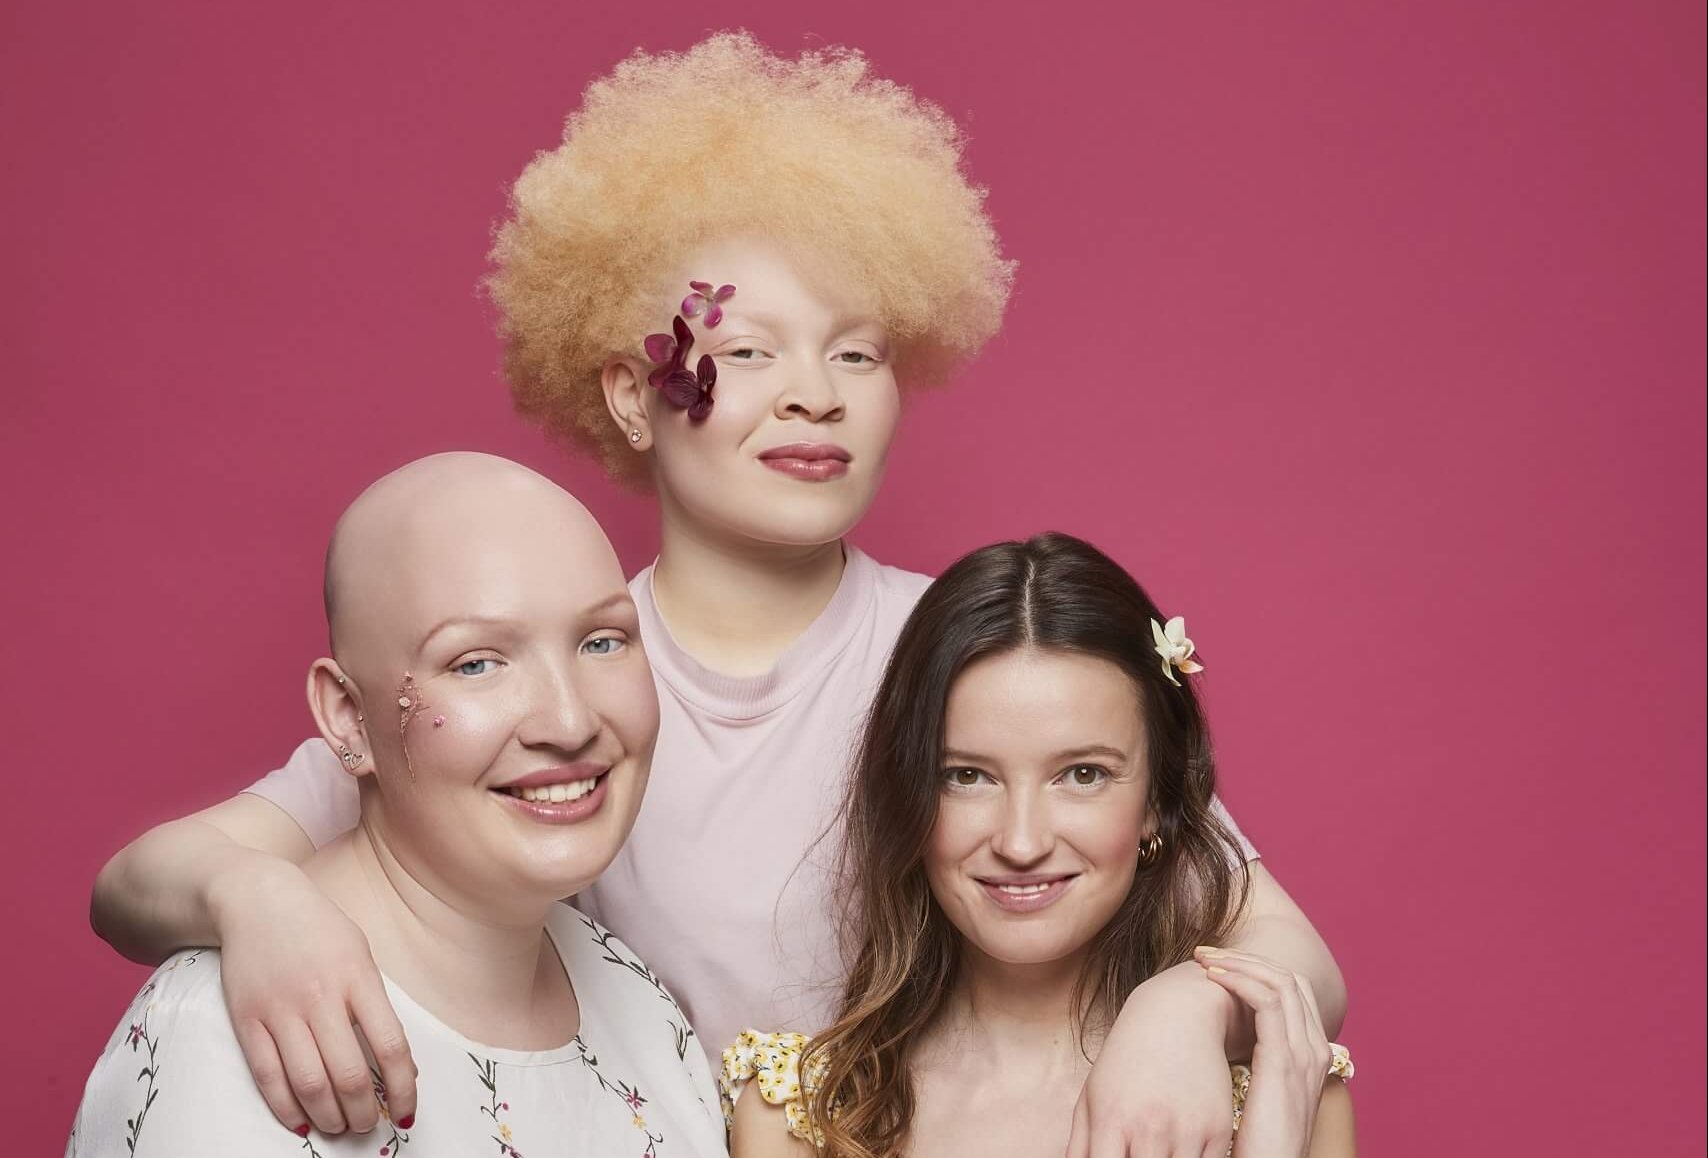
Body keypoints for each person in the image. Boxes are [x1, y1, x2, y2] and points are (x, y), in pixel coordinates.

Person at [89, 33, 1346, 1155]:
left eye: (857, 351)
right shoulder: (560, 694)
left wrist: (1182, 1008)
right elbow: (143, 881)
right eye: (745, 351)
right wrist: (258, 900)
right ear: (632, 395)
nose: (815, 394)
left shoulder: (964, 652)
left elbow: (1278, 940)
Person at [70, 454, 725, 1157]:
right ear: (349, 718)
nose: (569, 723)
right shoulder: (238, 1036)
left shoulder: (638, 1001)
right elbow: (129, 884)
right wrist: (252, 894)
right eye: (476, 663)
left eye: (602, 642)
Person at [724, 533, 1354, 1157]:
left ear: (1156, 802)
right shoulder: (801, 1112)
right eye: (966, 776)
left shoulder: (1282, 1086)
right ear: (907, 795)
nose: (1021, 843)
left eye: (1083, 775)